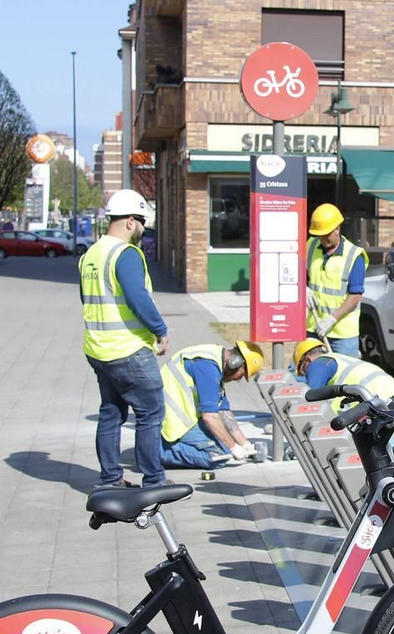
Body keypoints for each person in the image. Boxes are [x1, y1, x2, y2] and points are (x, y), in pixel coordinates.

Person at [78, 189, 169, 489]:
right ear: (130, 221)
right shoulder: (125, 254)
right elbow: (137, 298)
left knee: (111, 413)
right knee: (151, 412)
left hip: (98, 349)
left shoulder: (90, 255)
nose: (143, 229)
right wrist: (160, 329)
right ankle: (154, 481)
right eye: (142, 222)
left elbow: (87, 298)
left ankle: (110, 478)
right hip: (128, 350)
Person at [159, 340, 264, 470]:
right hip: (174, 421)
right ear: (234, 363)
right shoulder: (207, 368)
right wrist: (234, 448)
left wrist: (245, 445)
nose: (238, 379)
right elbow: (210, 417)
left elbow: (223, 411)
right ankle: (158, 452)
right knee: (220, 456)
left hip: (185, 417)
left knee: (224, 441)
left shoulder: (216, 361)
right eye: (242, 374)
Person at [305, 205, 367, 355]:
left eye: (326, 234)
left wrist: (332, 319)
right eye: (319, 234)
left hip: (342, 335)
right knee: (306, 374)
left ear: (337, 229)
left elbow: (355, 296)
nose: (322, 238)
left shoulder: (354, 255)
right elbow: (298, 272)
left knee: (344, 376)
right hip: (314, 327)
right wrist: (302, 287)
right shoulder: (311, 245)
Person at [294, 337, 394, 413]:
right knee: (386, 446)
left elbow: (310, 401)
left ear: (308, 359)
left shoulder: (317, 364)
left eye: (304, 370)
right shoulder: (338, 358)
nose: (307, 374)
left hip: (377, 400)